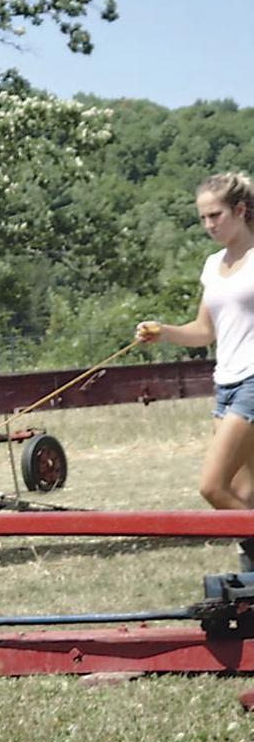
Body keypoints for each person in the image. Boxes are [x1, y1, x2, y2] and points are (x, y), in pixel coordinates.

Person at [137, 173, 254, 559]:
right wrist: (164, 331)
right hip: (225, 384)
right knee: (242, 495)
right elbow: (205, 331)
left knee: (211, 486)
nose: (208, 225)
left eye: (215, 215)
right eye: (202, 217)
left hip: (252, 384)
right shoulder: (213, 265)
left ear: (240, 210)